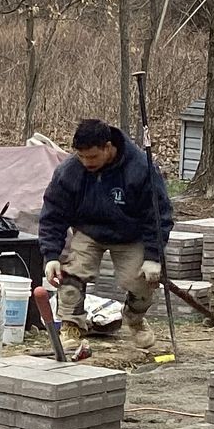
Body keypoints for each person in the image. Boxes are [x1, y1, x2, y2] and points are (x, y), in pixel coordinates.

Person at [37, 116, 173, 343]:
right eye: (81, 156)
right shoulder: (69, 172)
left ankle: (135, 319)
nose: (86, 162)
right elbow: (53, 214)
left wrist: (153, 256)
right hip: (89, 231)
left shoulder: (141, 168)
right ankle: (71, 325)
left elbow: (158, 216)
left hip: (130, 234)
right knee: (70, 275)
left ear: (108, 147)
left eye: (92, 156)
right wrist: (51, 255)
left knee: (142, 282)